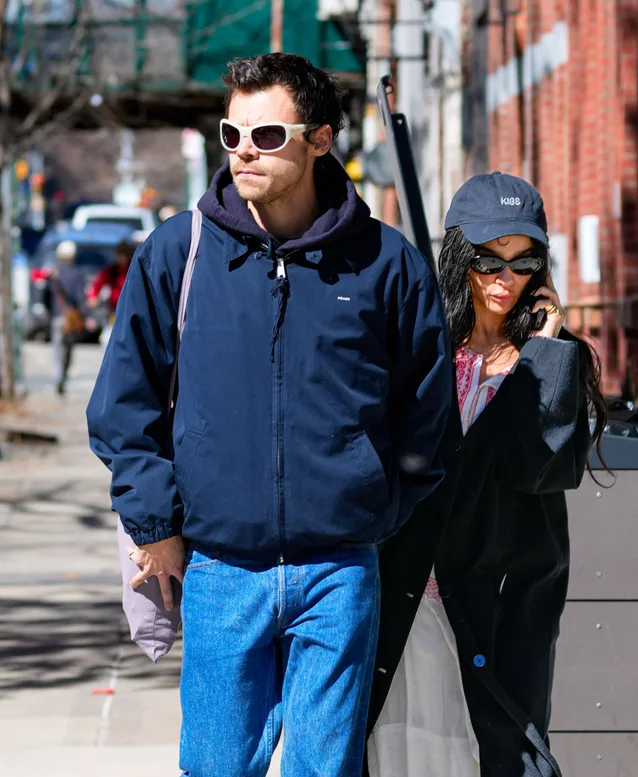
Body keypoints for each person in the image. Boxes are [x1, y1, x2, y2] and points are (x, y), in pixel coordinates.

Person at [87, 53, 453, 777]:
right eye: (231, 134)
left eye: (267, 136)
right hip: (222, 566)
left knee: (324, 769)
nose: (244, 151)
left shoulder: (387, 265)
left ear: (320, 139)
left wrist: (377, 508)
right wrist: (155, 525)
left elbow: (428, 412)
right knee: (217, 766)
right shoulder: (177, 254)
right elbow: (122, 405)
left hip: (339, 569)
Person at [366, 173, 608, 777]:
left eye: (524, 261)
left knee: (498, 754)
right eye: (487, 260)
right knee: (401, 753)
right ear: (456, 257)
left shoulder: (552, 359)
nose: (507, 280)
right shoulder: (422, 348)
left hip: (498, 598)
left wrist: (545, 352)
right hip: (411, 594)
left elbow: (541, 466)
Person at [50, 240, 88, 395]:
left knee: (58, 349)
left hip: (57, 317)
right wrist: (87, 315)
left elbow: (45, 295)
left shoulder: (53, 273)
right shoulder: (76, 274)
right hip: (71, 319)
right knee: (68, 351)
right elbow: (80, 298)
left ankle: (58, 376)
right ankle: (62, 376)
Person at [86, 239, 134, 316]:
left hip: (132, 308)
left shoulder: (134, 269)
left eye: (125, 254)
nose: (123, 257)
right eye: (120, 254)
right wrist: (92, 296)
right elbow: (97, 285)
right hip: (115, 309)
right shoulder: (111, 270)